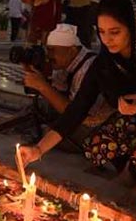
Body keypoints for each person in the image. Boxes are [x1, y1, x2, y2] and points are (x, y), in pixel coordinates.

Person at [20, 0, 136, 205]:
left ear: (133, 27)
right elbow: (77, 109)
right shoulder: (105, 64)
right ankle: (130, 171)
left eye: (115, 32)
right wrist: (38, 149)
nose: (107, 40)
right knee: (110, 135)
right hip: (132, 133)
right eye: (102, 32)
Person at [23, 24, 111, 152]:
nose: (49, 56)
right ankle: (2, 123)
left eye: (53, 51)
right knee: (38, 107)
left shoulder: (89, 68)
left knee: (44, 134)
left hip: (92, 126)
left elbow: (76, 113)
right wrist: (34, 76)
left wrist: (43, 86)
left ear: (72, 50)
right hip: (74, 117)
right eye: (48, 50)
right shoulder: (63, 65)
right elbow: (57, 96)